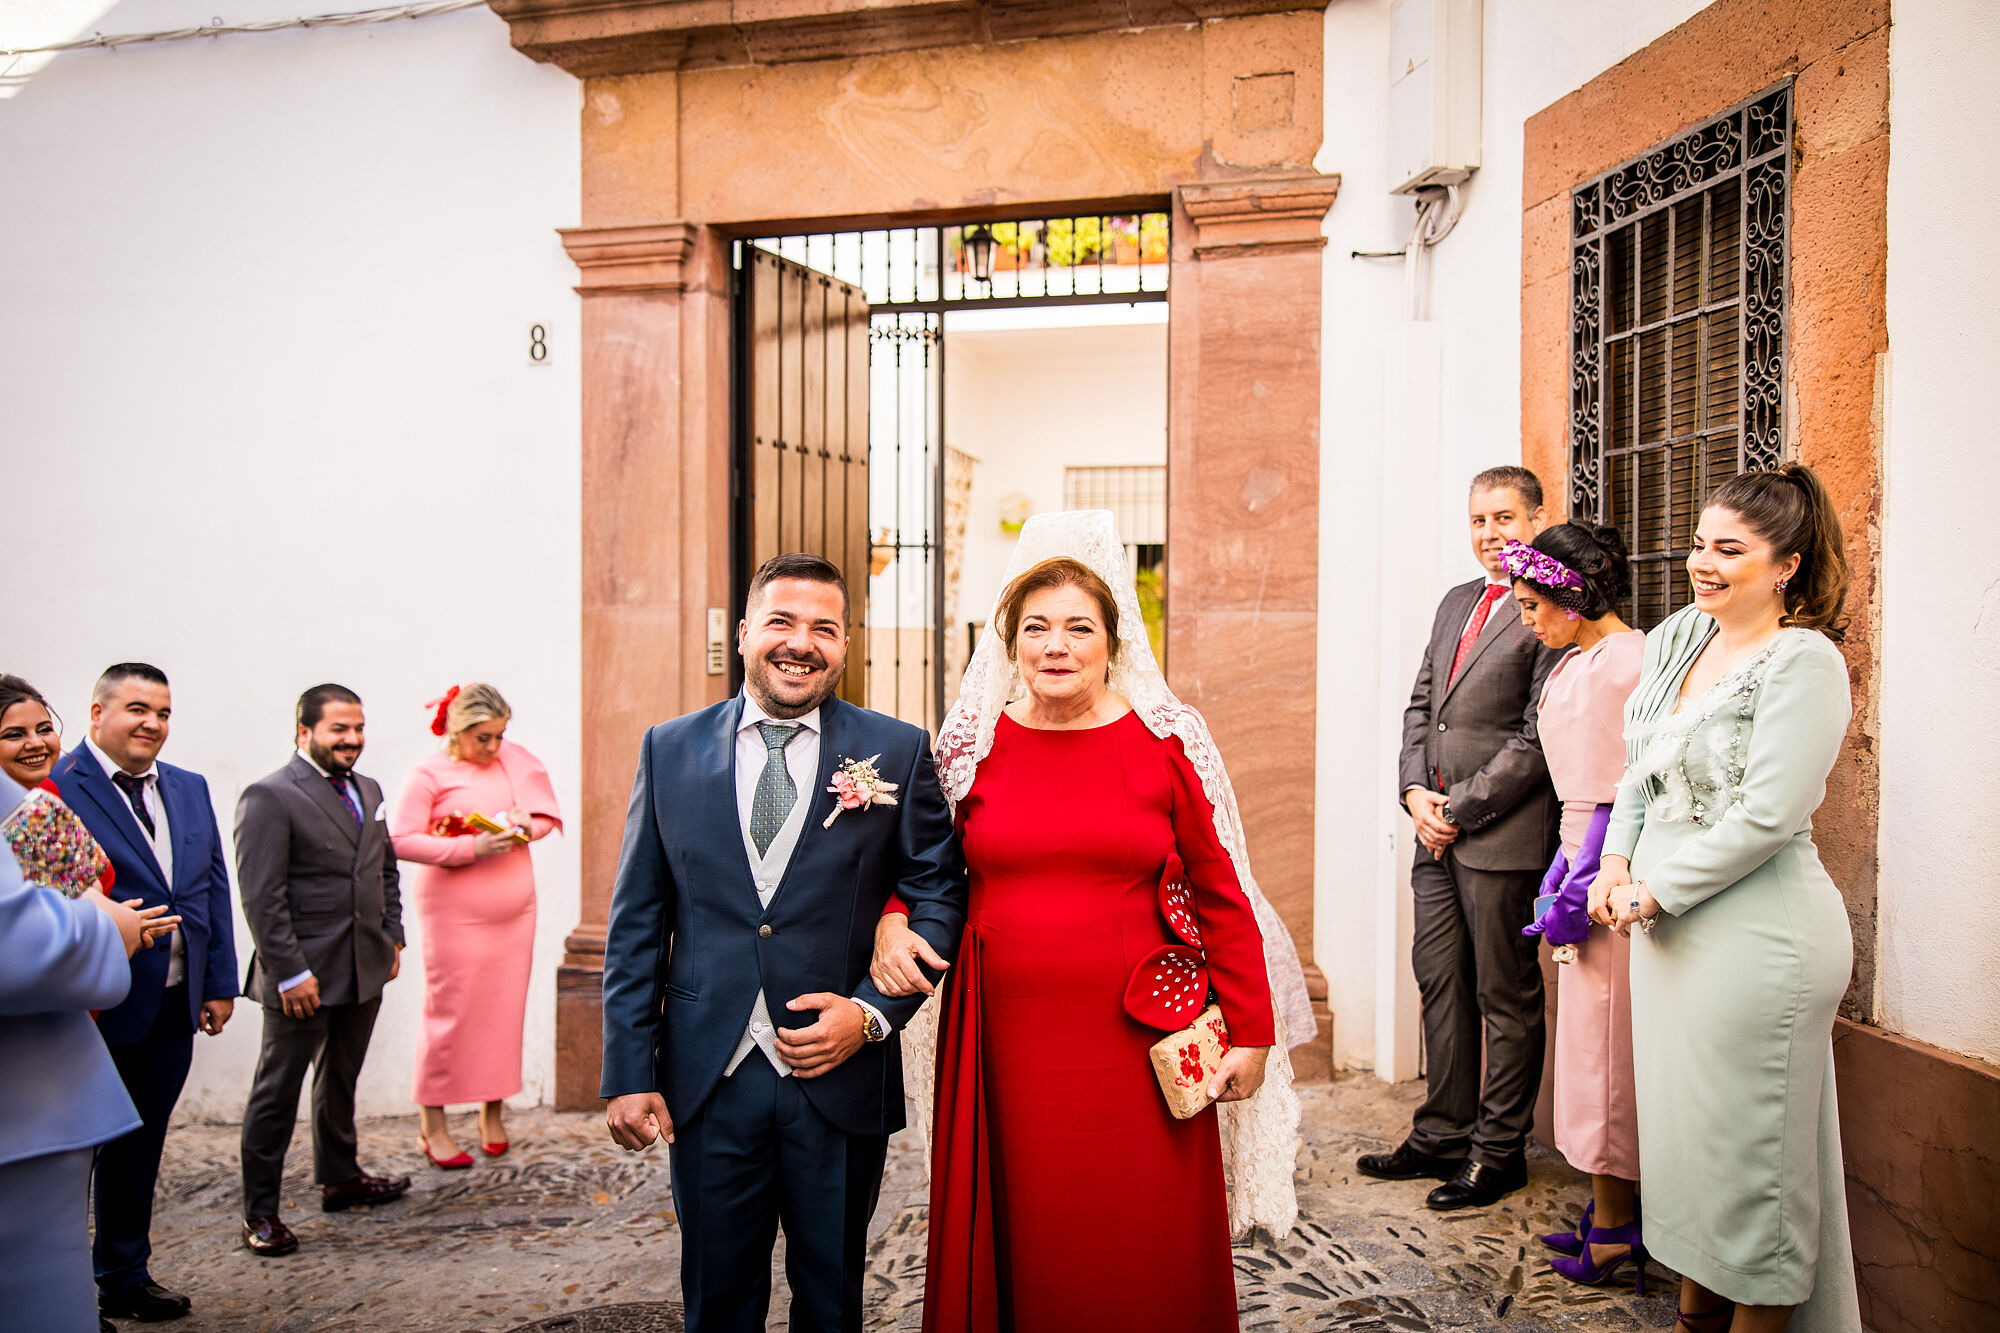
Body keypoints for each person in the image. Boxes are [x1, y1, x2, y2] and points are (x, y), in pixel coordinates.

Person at [871, 511, 1314, 1333]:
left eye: (1079, 627)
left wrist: (1252, 1029)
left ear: (1113, 641)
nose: (1056, 645)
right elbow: (926, 869)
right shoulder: (974, 747)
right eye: (1036, 628)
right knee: (1027, 1216)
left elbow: (1223, 893)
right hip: (1003, 1036)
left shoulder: (1166, 744)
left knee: (1136, 1228)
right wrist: (893, 922)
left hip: (1136, 1037)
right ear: (1011, 642)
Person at [600, 551, 967, 1333]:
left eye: (824, 628)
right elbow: (637, 921)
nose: (801, 643)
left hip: (839, 1083)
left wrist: (870, 1015)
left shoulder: (896, 751)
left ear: (845, 644)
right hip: (709, 1078)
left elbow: (939, 894)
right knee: (717, 1302)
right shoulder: (668, 750)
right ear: (743, 634)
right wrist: (628, 1069)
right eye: (781, 622)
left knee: (831, 1302)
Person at [1590, 464, 1863, 1333]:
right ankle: (1695, 1315)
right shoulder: (1677, 638)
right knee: (1694, 1156)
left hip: (1758, 939)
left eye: (1729, 550)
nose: (1702, 563)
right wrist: (1614, 863)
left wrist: (1654, 890)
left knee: (1752, 1167)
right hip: (1665, 936)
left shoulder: (1804, 660)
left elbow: (1769, 814)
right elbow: (1639, 767)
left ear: (1785, 563)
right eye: (1701, 543)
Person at [1360, 466, 1563, 1209]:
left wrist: (1459, 808)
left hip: (1501, 837)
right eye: (1479, 520)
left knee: (1503, 996)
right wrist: (1414, 792)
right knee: (1440, 982)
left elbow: (1537, 736)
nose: (1490, 534)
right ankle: (1441, 1131)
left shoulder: (1551, 604)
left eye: (1505, 518)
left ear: (1537, 519)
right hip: (1433, 832)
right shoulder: (1455, 602)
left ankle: (1498, 1150)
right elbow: (1422, 706)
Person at [44, 663, 239, 1323]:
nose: (151, 723)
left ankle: (123, 1274)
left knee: (140, 1144)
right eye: (136, 708)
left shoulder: (188, 786)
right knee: (69, 1153)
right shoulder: (54, 788)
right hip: (92, 1006)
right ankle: (59, 1287)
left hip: (172, 1005)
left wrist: (217, 983)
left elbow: (210, 883)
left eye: (162, 712)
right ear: (96, 713)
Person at [1502, 527, 1646, 1288]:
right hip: (1578, 850)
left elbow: (1624, 784)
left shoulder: (1628, 661)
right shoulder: (1578, 660)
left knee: (1607, 1047)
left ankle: (1621, 1222)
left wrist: (1582, 872)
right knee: (1588, 1044)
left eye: (1534, 604)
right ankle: (1606, 1204)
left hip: (1609, 871)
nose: (1527, 618)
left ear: (1573, 595)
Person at [235, 684, 411, 1259]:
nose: (352, 740)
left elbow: (384, 869)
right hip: (301, 974)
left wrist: (392, 936)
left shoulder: (370, 789)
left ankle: (341, 1178)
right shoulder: (270, 795)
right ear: (303, 731)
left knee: (340, 1078)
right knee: (277, 1091)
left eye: (358, 728)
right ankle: (260, 1211)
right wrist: (289, 973)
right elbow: (262, 896)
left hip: (363, 963)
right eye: (339, 729)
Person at [0, 768, 165, 1333]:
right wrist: (107, 928)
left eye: (43, 727)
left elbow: (86, 878)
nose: (33, 743)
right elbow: (25, 940)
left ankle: (122, 1273)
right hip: (26, 1110)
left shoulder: (34, 803)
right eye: (13, 731)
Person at [391, 683, 562, 1166]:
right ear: (456, 730)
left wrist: (526, 825)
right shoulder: (429, 772)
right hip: (454, 914)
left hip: (513, 912)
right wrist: (468, 848)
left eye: (499, 735)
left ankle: (492, 1113)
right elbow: (401, 839)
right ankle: (434, 1125)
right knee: (448, 1014)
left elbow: (547, 819)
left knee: (502, 1013)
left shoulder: (513, 760)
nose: (493, 747)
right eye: (483, 737)